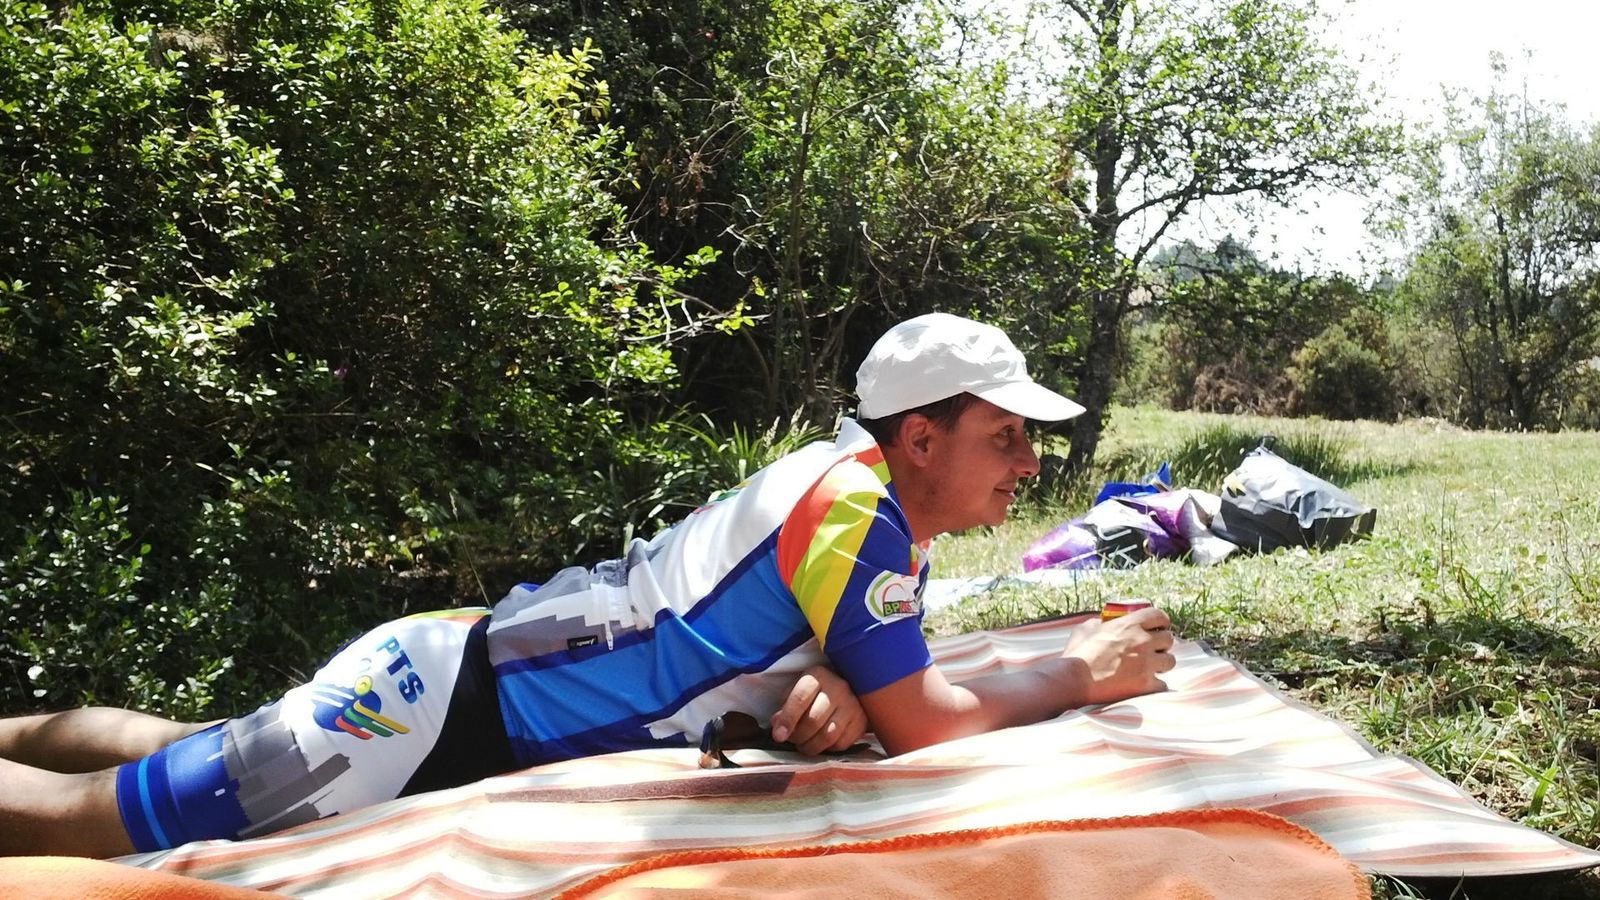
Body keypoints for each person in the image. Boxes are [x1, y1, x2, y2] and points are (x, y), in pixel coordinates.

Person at [1, 312, 1174, 858]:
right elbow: (926, 722)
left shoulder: (856, 493)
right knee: (95, 822)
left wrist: (841, 684)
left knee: (190, 749)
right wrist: (1076, 673)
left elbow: (838, 662)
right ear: (920, 436)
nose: (1030, 462)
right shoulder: (858, 513)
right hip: (434, 717)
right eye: (1005, 435)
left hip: (450, 680)